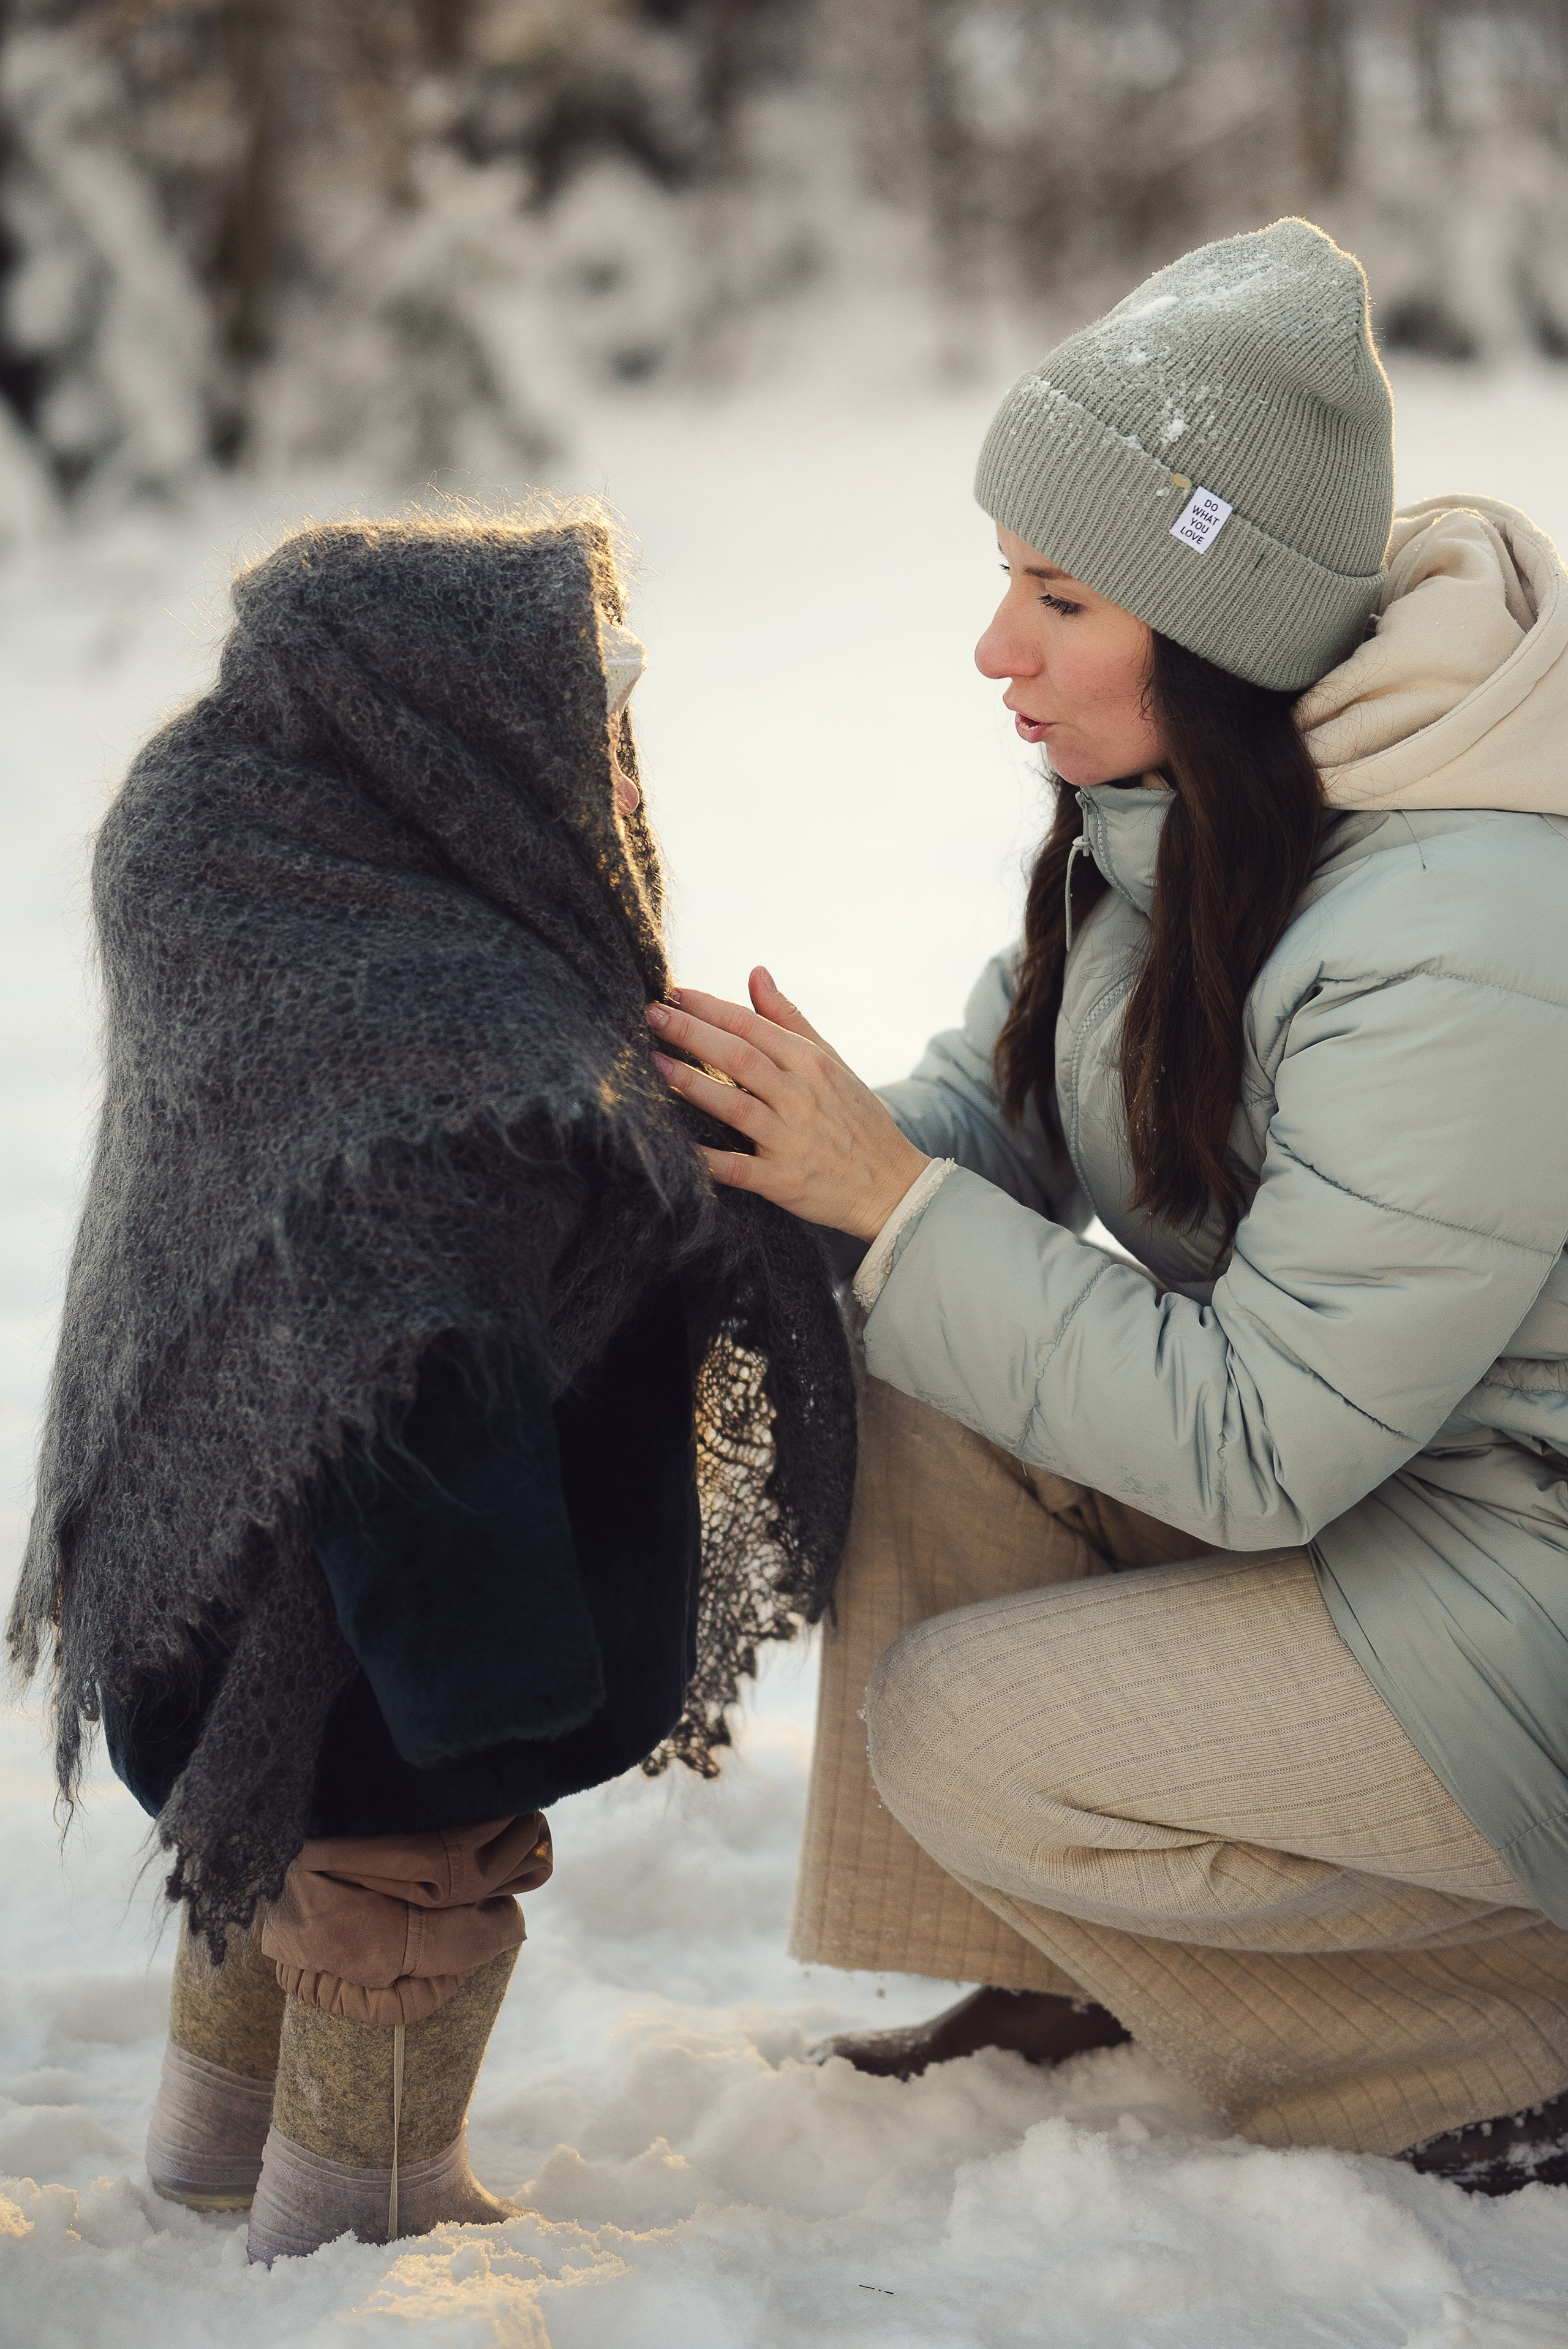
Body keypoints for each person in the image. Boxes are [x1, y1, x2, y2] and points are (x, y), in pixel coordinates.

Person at [649, 217, 1568, 2195]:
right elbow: (990, 1118)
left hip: (1521, 1588)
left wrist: (892, 1206)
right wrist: (731, 1158)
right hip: (1389, 1506)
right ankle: (1058, 1966)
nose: (997, 648)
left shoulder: (1464, 925)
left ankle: (1492, 2032)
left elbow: (1267, 1441)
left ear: (1218, 626)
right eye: (1007, 580)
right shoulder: (1186, 824)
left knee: (960, 1724)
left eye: (1059, 597)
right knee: (912, 1346)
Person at [7, 508, 856, 2260]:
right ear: (454, 726)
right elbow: (426, 1397)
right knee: (395, 1894)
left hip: (196, 1583)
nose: (613, 766)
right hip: (396, 1677)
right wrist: (495, 1702)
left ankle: (212, 2136)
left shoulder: (248, 870)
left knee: (262, 1849)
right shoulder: (444, 1046)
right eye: (590, 712)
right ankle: (361, 2210)